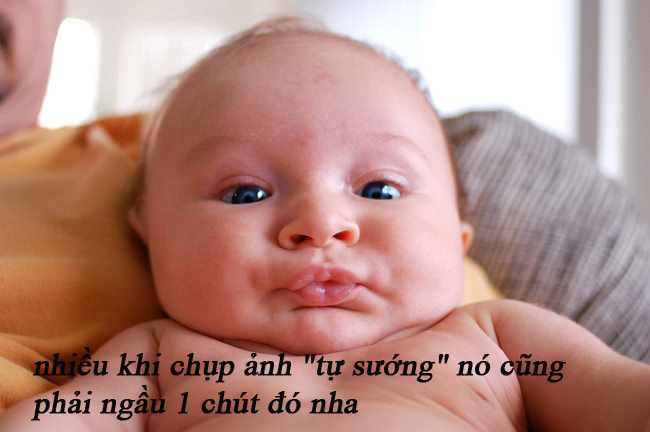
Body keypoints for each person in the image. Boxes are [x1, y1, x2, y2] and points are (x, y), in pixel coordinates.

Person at [1, 17, 649, 432]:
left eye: (379, 189)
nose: (320, 224)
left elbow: (621, 397)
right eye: (246, 193)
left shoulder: (498, 341)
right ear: (151, 239)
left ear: (458, 239)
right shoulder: (156, 358)